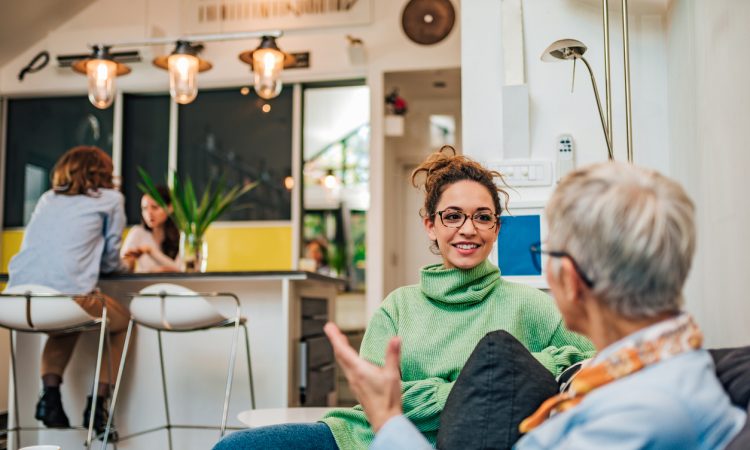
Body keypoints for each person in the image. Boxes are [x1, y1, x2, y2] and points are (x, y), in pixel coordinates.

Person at [325, 161, 747, 449]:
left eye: (551, 252)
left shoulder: (643, 412)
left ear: (573, 278)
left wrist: (388, 419)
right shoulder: (651, 372)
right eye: (452, 216)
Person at [213, 147, 594, 450]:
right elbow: (379, 403)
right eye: (452, 216)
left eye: (482, 217)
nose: (468, 229)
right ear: (430, 225)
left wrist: (532, 371)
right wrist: (486, 386)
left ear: (496, 228)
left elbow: (593, 361)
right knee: (233, 449)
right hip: (365, 438)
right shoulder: (398, 306)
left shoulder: (531, 305)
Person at [6, 146, 131, 437]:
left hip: (18, 299)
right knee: (122, 321)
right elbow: (112, 259)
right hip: (67, 299)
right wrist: (126, 264)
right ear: (102, 172)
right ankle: (97, 406)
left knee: (67, 320)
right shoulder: (111, 199)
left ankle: (50, 399)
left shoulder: (48, 199)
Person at [121, 185, 181, 273]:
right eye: (144, 208)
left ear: (170, 208)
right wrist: (130, 262)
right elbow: (122, 267)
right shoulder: (137, 233)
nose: (149, 213)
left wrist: (151, 251)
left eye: (155, 207)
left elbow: (182, 271)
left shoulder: (181, 235)